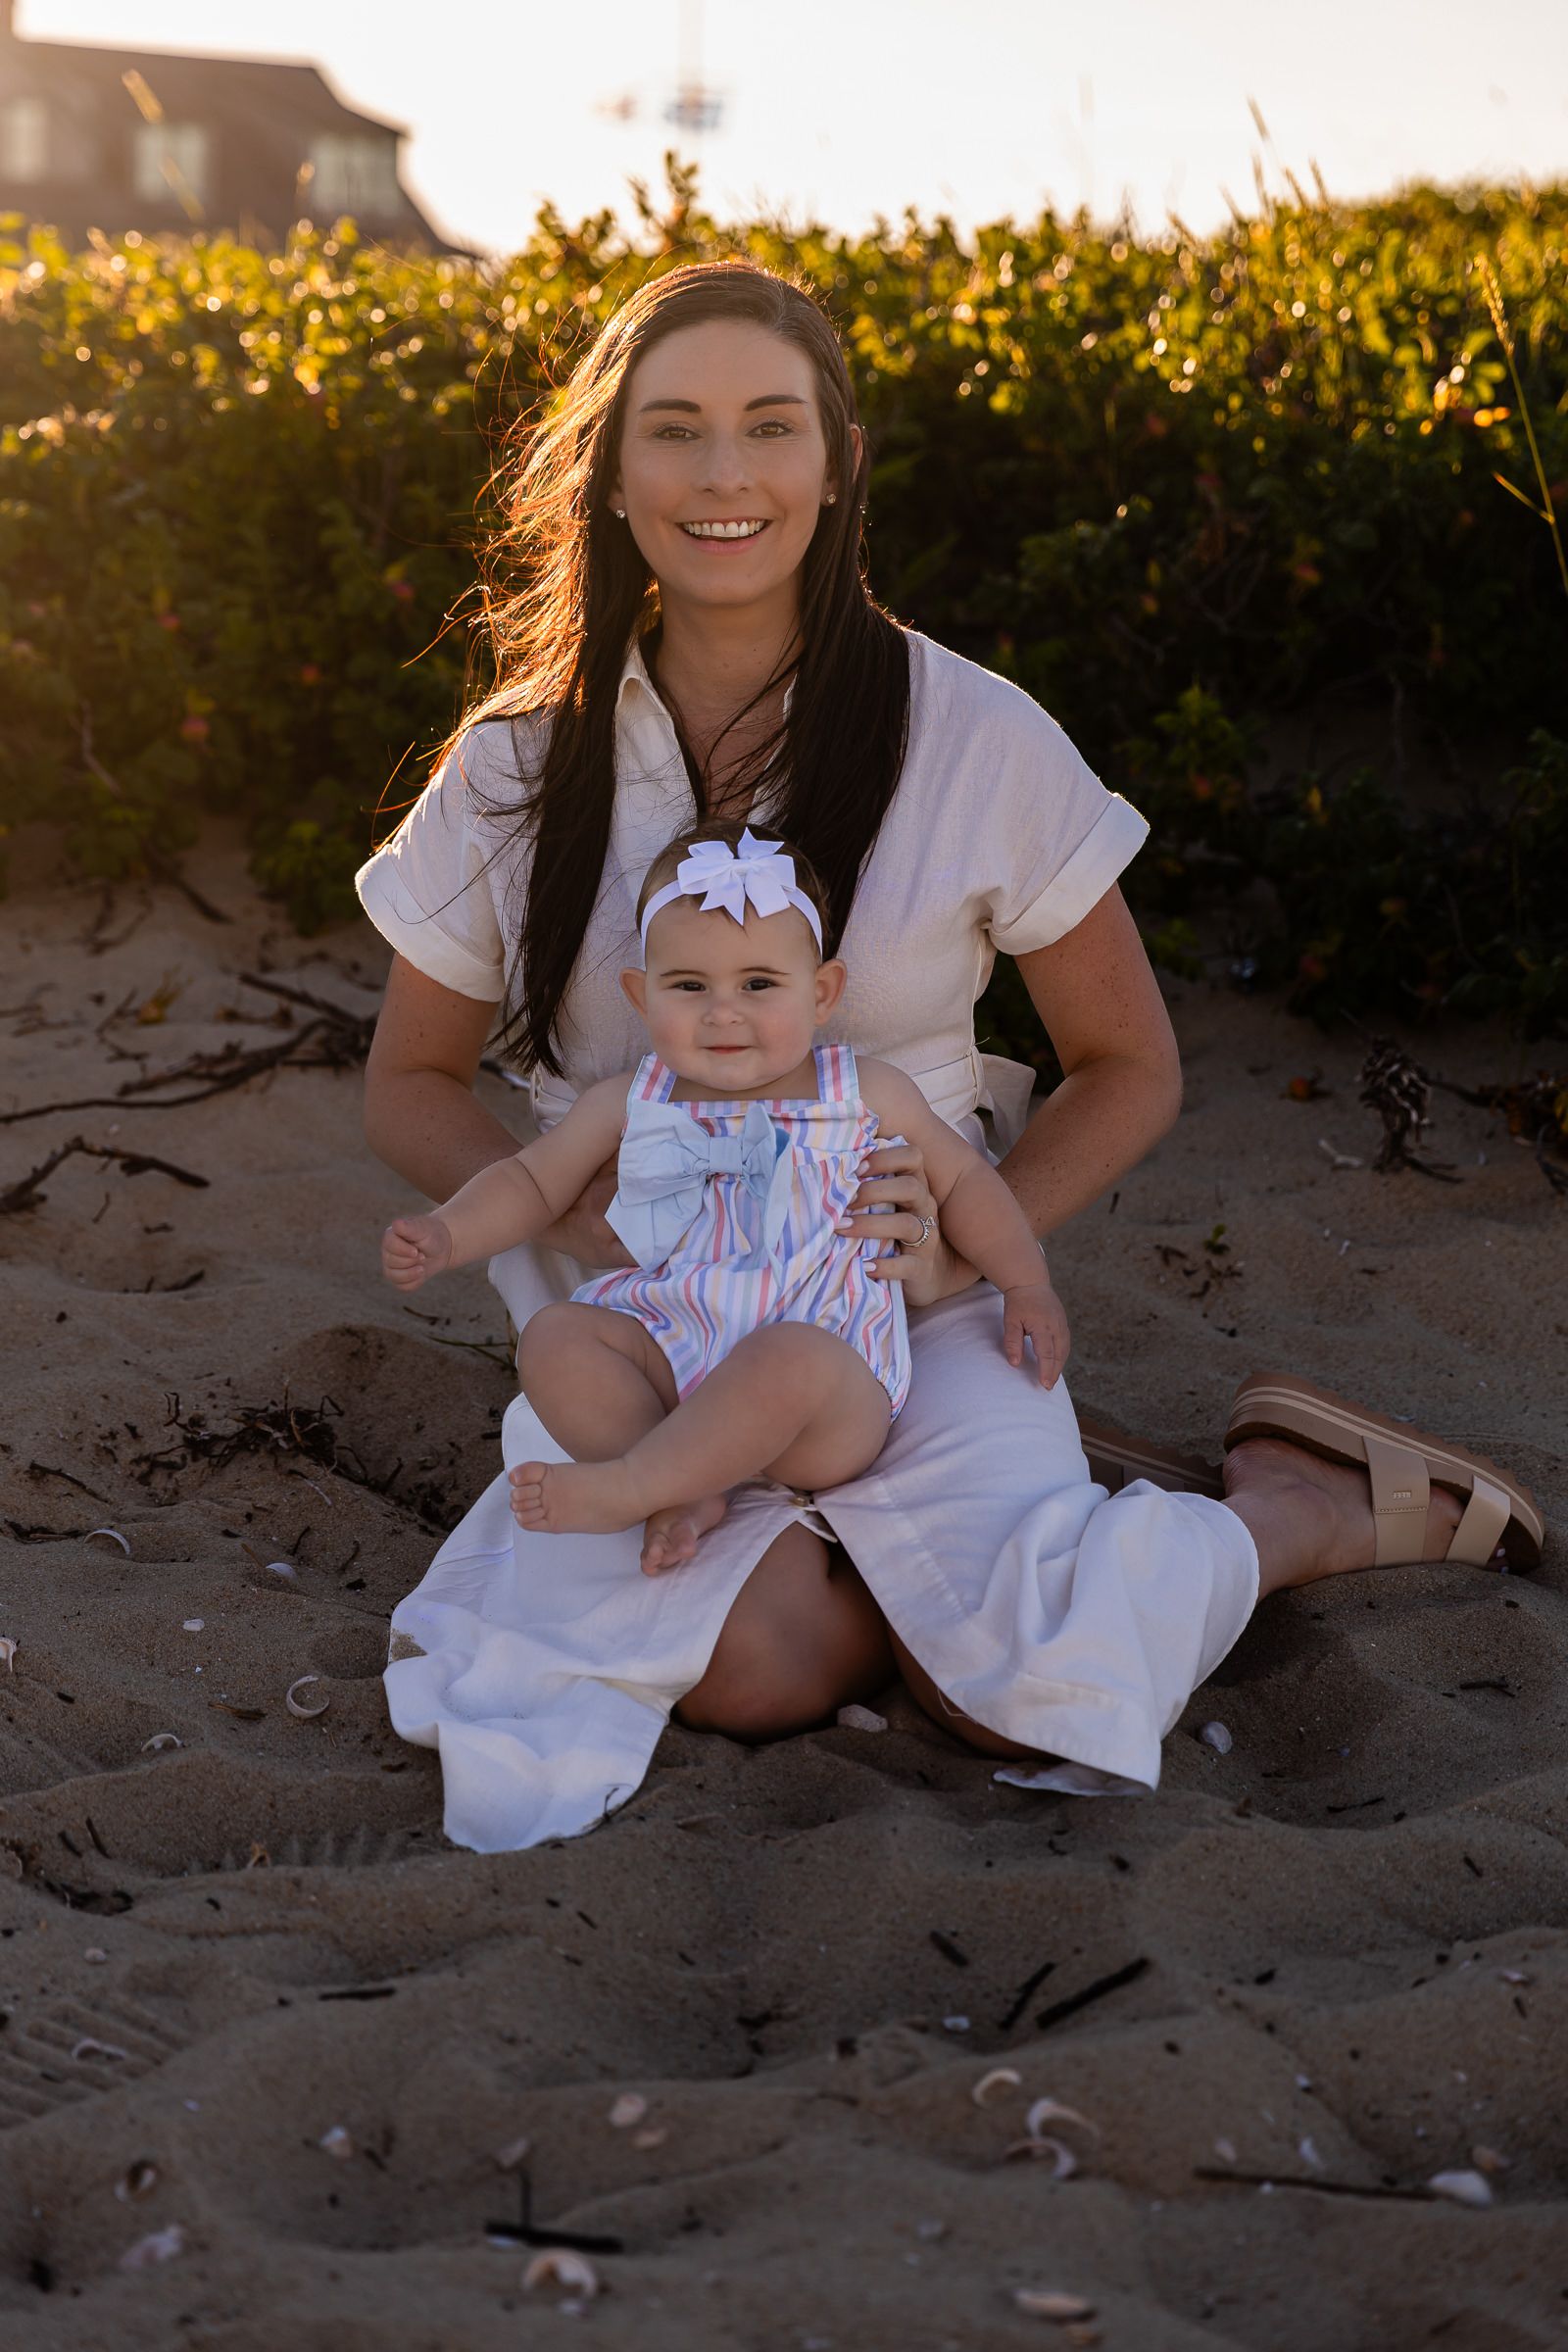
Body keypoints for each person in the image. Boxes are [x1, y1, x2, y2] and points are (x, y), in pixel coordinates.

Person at [356, 258, 1543, 1854]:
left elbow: (1129, 1061)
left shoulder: (972, 731)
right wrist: (563, 1214)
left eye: (771, 429)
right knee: (762, 1666)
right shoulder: (518, 760)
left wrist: (973, 1237)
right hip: (653, 1333)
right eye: (677, 432)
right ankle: (965, 1533)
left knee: (1016, 1706)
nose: (725, 477)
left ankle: (1286, 1507)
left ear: (837, 464)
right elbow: (409, 1080)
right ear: (613, 471)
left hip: (917, 1306)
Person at [379, 821, 1068, 1574]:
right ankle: (685, 1487)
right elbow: (530, 1182)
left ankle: (638, 1485)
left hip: (823, 1388)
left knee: (786, 1357)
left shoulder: (862, 1093)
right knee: (555, 1337)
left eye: (759, 984)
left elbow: (968, 1182)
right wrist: (449, 1233)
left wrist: (1024, 1281)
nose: (723, 1011)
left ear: (823, 994)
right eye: (689, 986)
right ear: (642, 998)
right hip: (674, 1354)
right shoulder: (631, 1101)